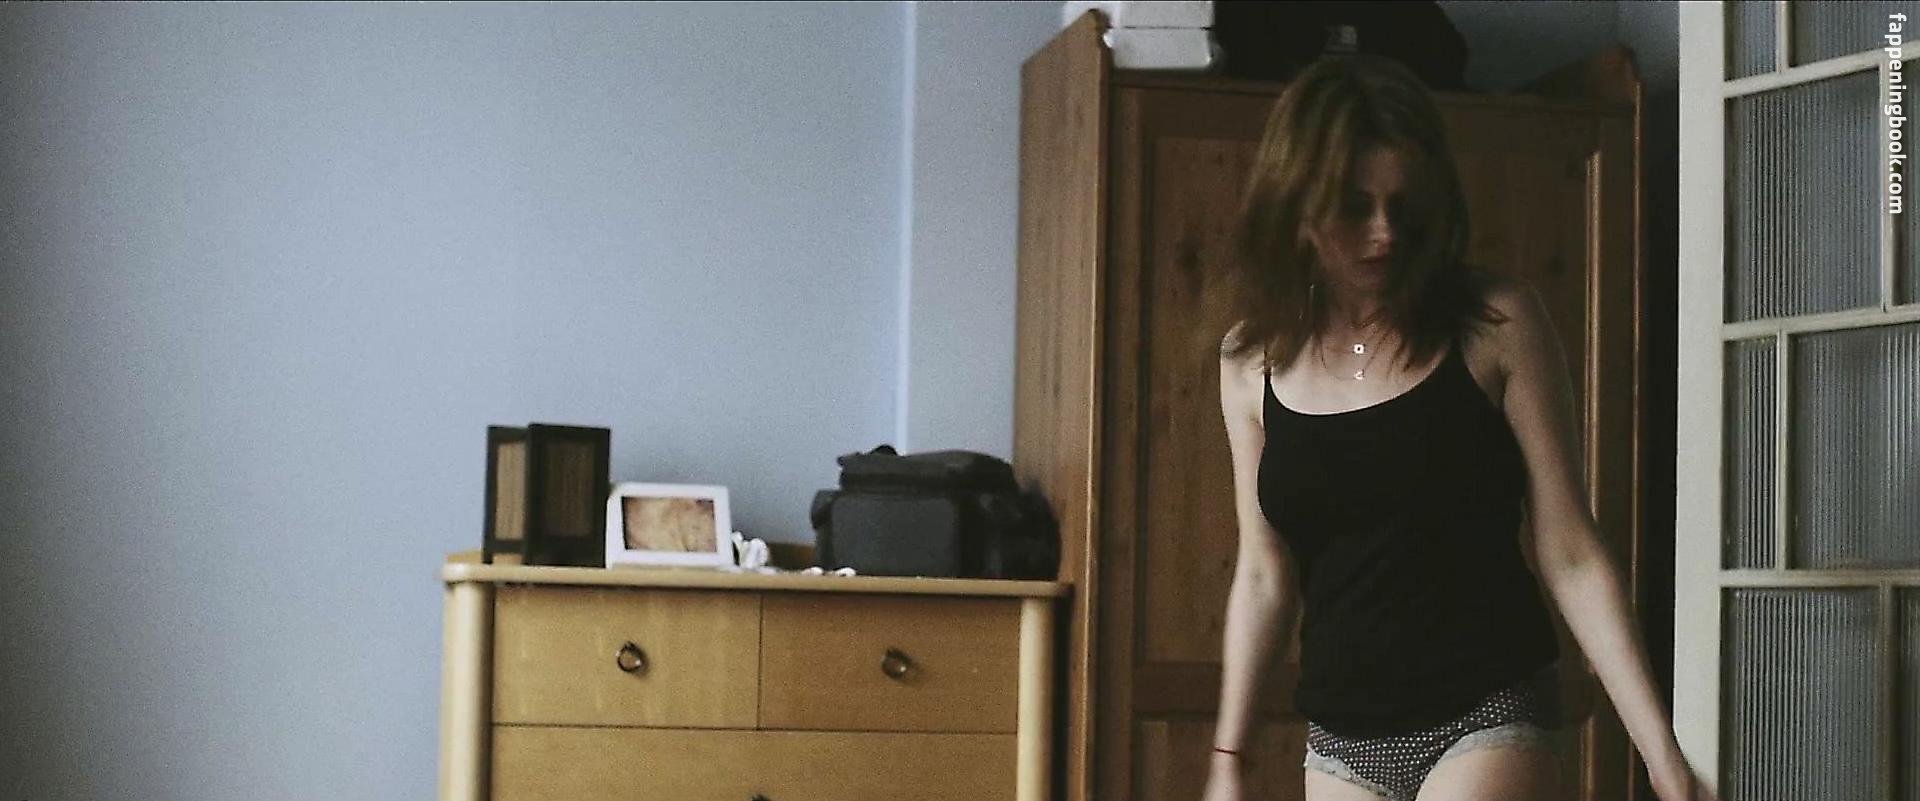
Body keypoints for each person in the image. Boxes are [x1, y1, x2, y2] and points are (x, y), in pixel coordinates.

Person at [1202, 54, 1718, 801]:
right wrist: (1229, 759)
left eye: (1403, 206)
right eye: (1355, 207)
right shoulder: (1249, 362)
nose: (1385, 232)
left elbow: (1571, 552)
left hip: (1485, 709)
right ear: (1298, 205)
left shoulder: (1495, 325)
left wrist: (1665, 765)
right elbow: (1262, 571)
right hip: (1340, 740)